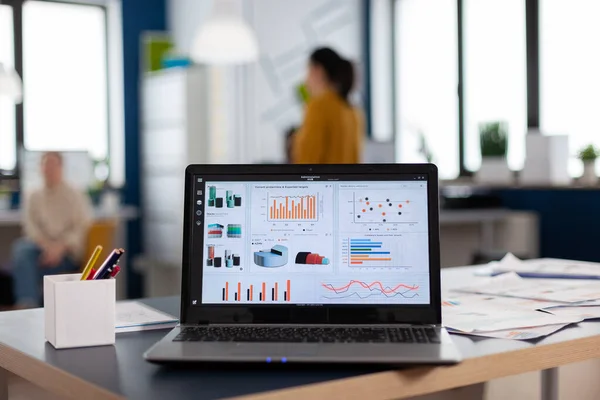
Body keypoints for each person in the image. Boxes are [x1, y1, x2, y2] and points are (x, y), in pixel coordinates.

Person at [11, 152, 92, 307]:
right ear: (41, 168)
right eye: (46, 165)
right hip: (40, 248)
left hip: (66, 251)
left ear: (61, 167)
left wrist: (59, 248)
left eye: (53, 165)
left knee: (32, 269)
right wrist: (47, 247)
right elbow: (30, 227)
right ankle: (27, 303)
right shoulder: (33, 195)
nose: (50, 169)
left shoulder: (75, 194)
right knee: (21, 250)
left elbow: (80, 227)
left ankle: (37, 305)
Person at [292, 47, 364, 164]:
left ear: (317, 70)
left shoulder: (318, 105)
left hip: (322, 182)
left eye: (308, 71)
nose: (306, 80)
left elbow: (308, 162)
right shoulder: (353, 111)